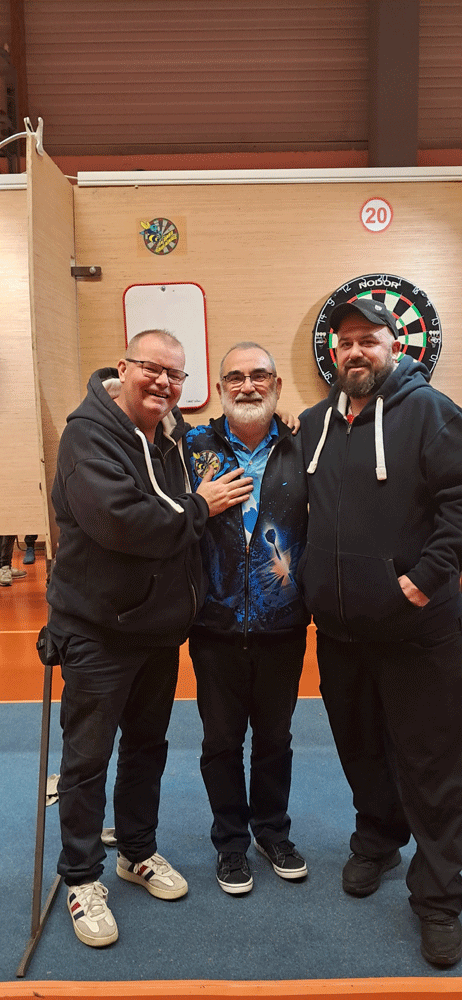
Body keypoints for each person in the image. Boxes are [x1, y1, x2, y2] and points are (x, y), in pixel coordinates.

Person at [46, 329, 253, 947]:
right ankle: (81, 876)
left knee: (146, 748)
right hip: (98, 632)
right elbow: (124, 522)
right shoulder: (88, 436)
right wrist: (201, 507)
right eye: (152, 369)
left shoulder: (169, 437)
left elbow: (223, 440)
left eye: (175, 375)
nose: (163, 382)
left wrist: (284, 425)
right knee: (87, 760)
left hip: (157, 631)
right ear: (123, 367)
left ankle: (135, 851)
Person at [297, 297, 462, 967]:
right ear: (333, 354)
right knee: (361, 750)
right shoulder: (314, 424)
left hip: (418, 630)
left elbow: (459, 504)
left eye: (369, 339)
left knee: (432, 764)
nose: (356, 351)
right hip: (341, 632)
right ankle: (378, 839)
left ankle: (440, 897)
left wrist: (420, 581)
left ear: (395, 346)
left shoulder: (431, 412)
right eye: (346, 341)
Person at [186, 342, 309, 894]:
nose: (247, 385)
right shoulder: (191, 448)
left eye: (260, 376)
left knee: (275, 739)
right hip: (214, 625)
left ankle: (272, 832)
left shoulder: (304, 444)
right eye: (235, 377)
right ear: (219, 389)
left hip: (282, 624)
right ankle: (231, 843)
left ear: (277, 385)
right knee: (220, 742)